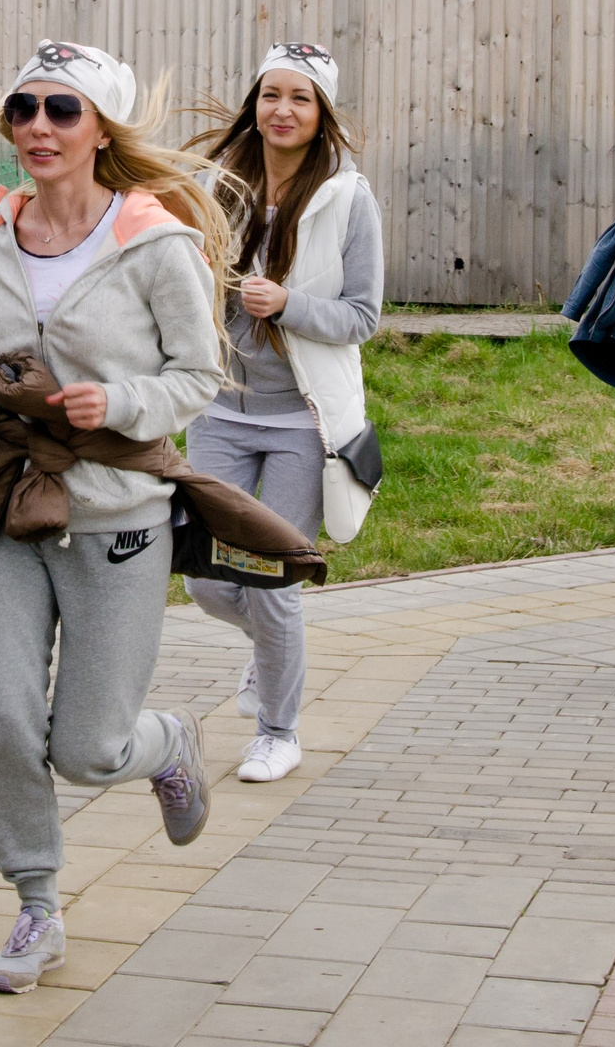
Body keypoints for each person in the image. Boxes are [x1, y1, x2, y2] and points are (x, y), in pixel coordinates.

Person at [0, 41, 239, 995]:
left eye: (63, 110)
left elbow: (199, 377)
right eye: (24, 109)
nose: (39, 128)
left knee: (88, 749)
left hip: (118, 515)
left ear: (102, 129)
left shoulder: (155, 243)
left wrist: (123, 402)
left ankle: (169, 743)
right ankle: (37, 906)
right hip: (17, 506)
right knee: (4, 721)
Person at [185, 42, 382, 786]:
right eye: (272, 94)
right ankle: (273, 650)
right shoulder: (216, 184)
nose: (283, 110)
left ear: (321, 113)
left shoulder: (345, 195)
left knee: (272, 579)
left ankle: (278, 730)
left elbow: (363, 315)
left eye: (300, 98)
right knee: (206, 578)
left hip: (303, 419)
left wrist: (288, 304)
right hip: (221, 408)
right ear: (254, 102)